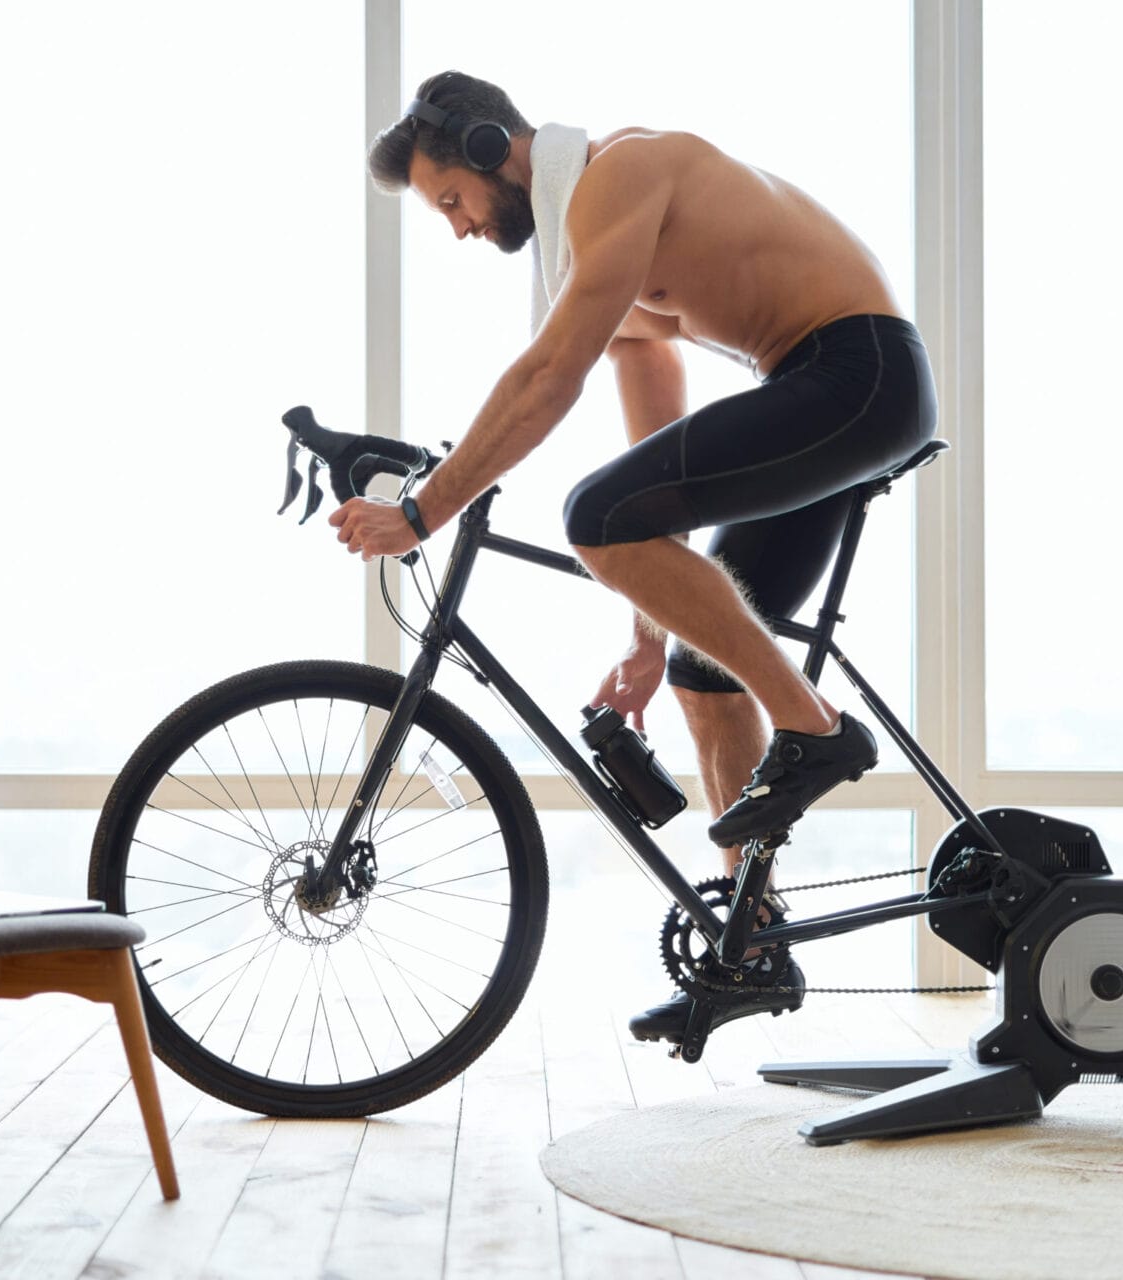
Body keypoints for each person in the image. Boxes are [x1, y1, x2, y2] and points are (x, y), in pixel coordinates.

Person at [335, 70, 938, 1042]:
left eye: (451, 199)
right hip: (828, 384)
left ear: (492, 149)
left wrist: (423, 510)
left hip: (855, 372)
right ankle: (751, 944)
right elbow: (648, 433)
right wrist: (648, 639)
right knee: (705, 672)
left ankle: (816, 730)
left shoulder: (621, 173)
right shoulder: (599, 246)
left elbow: (548, 375)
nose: (456, 227)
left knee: (588, 514)